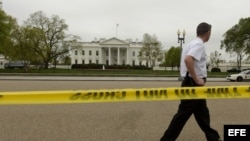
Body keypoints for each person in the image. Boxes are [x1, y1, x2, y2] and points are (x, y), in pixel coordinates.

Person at [160, 22, 221, 141]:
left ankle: (213, 138)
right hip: (193, 84)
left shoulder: (191, 44)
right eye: (210, 33)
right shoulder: (199, 45)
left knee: (202, 115)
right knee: (181, 117)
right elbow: (188, 60)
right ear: (208, 33)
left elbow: (187, 60)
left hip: (191, 83)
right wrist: (197, 78)